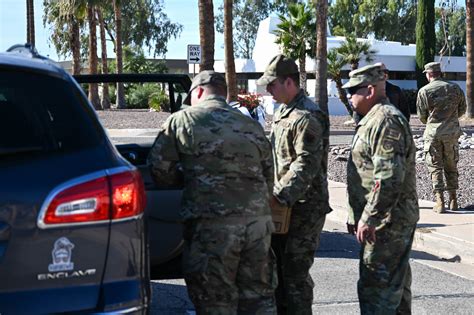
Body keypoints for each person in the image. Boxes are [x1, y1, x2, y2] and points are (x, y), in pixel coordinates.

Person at [147, 70, 277, 314]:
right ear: (223, 93)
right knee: (258, 297)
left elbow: (159, 170)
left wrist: (187, 177)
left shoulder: (182, 121)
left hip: (212, 227)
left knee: (214, 299)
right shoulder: (251, 125)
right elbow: (269, 175)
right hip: (257, 226)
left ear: (197, 92)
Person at [256, 54, 331, 315]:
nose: (268, 90)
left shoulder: (308, 115)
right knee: (277, 275)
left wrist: (277, 196)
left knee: (295, 276)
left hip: (304, 207)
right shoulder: (283, 112)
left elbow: (306, 164)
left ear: (289, 82)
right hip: (283, 207)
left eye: (272, 85)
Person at [343, 64, 419, 314]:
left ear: (370, 90)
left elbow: (388, 177)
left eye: (353, 90)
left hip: (388, 222)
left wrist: (370, 217)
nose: (348, 96)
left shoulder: (385, 120)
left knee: (378, 291)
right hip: (383, 220)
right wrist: (355, 214)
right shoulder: (372, 119)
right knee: (394, 292)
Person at [416, 61, 467, 213]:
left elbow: (422, 116)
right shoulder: (455, 88)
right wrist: (449, 120)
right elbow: (462, 110)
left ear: (429, 74)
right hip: (451, 134)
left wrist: (434, 122)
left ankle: (440, 202)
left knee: (435, 166)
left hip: (433, 134)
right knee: (451, 165)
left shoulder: (424, 91)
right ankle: (453, 200)